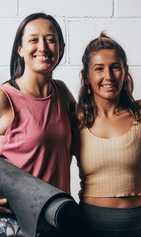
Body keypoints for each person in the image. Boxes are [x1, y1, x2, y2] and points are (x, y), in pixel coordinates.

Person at [76, 32, 141, 237]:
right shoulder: (76, 121)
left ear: (125, 72)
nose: (109, 76)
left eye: (115, 67)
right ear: (87, 77)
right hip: (89, 226)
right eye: (99, 69)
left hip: (138, 225)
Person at [0, 12, 77, 236]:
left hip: (54, 219)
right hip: (15, 223)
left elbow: (98, 118)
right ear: (20, 49)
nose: (43, 47)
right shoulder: (6, 97)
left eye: (50, 39)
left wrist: (131, 105)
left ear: (61, 48)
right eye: (33, 39)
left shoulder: (61, 93)